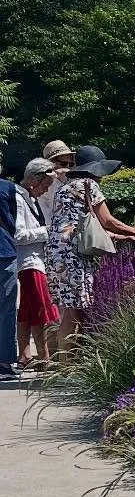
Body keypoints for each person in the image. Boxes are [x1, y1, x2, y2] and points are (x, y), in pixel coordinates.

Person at [48, 145, 135, 357]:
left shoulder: (63, 188)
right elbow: (107, 220)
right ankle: (65, 365)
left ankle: (63, 361)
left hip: (57, 254)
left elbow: (84, 226)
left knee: (68, 308)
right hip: (74, 257)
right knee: (73, 311)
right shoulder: (89, 185)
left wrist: (126, 236)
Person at [17, 160, 61, 368]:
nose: (45, 191)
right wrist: (49, 231)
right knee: (41, 310)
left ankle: (25, 355)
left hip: (34, 261)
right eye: (45, 185)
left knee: (27, 311)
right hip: (29, 263)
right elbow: (18, 234)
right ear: (34, 179)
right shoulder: (19, 199)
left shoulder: (31, 200)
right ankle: (44, 356)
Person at [0, 162, 18, 382]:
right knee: (5, 309)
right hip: (4, 250)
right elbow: (12, 221)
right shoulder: (7, 188)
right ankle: (4, 362)